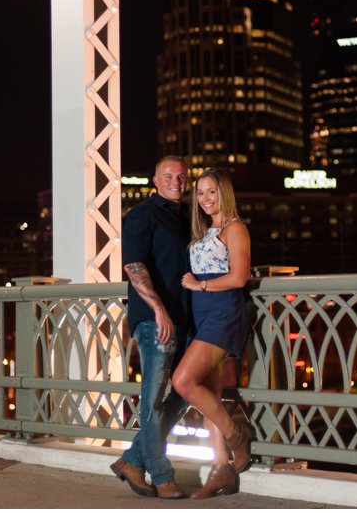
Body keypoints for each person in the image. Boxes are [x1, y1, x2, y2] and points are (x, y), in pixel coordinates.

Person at [109, 156, 193, 499]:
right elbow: (132, 264)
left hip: (186, 319)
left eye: (182, 177)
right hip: (154, 320)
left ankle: (131, 459)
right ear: (155, 181)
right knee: (154, 398)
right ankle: (161, 474)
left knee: (184, 391)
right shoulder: (144, 215)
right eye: (169, 176)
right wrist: (157, 308)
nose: (176, 181)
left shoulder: (186, 218)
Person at [172, 168, 253, 499]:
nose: (205, 199)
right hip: (201, 317)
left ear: (224, 194)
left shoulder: (235, 228)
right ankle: (221, 469)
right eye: (200, 193)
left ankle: (236, 434)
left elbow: (239, 278)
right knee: (208, 394)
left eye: (211, 192)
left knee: (183, 382)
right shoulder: (206, 231)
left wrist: (199, 283)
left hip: (222, 313)